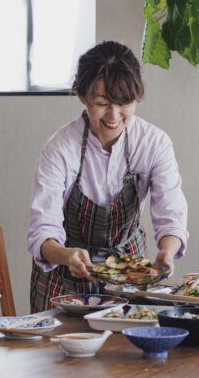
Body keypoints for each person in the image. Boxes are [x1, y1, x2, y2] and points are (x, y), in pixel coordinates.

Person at [27, 41, 188, 312]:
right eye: (102, 103)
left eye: (124, 103)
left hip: (129, 278)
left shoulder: (153, 143)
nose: (114, 116)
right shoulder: (60, 148)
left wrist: (167, 252)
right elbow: (42, 231)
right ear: (81, 96)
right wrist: (67, 255)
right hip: (64, 280)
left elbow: (170, 214)